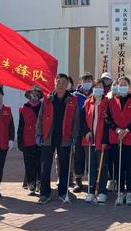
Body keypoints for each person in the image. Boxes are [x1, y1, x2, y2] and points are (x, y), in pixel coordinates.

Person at [36, 73, 80, 204]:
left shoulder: (72, 100)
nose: (60, 85)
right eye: (58, 82)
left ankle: (63, 192)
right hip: (48, 137)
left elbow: (76, 120)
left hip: (65, 138)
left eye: (63, 82)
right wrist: (38, 134)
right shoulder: (47, 99)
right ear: (54, 83)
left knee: (65, 166)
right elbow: (40, 118)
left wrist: (74, 136)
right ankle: (45, 193)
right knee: (45, 166)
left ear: (68, 84)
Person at [106, 76, 131, 206]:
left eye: (125, 84)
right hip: (116, 138)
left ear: (129, 86)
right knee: (118, 165)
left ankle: (129, 192)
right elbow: (108, 119)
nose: (122, 86)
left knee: (130, 166)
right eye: (120, 84)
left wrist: (127, 130)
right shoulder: (112, 101)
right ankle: (120, 192)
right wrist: (117, 129)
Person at [81, 79, 110, 203]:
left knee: (102, 166)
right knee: (91, 166)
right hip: (89, 140)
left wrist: (105, 139)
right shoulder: (88, 102)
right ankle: (91, 191)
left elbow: (109, 123)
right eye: (96, 86)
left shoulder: (108, 103)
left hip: (102, 140)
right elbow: (81, 119)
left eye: (100, 86)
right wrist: (86, 132)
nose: (98, 89)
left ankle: (102, 190)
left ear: (104, 89)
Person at [18, 86, 43, 196]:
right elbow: (20, 126)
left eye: (36, 92)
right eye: (31, 92)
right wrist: (19, 141)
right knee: (29, 163)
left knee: (40, 162)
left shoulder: (43, 106)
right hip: (27, 140)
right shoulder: (23, 108)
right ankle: (31, 184)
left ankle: (39, 182)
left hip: (40, 139)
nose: (34, 94)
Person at [72, 72, 93, 193]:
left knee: (91, 157)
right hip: (78, 131)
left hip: (91, 131)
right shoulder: (75, 96)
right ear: (81, 82)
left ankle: (92, 180)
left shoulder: (95, 94)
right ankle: (78, 181)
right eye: (85, 81)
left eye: (89, 80)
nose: (87, 83)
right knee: (78, 156)